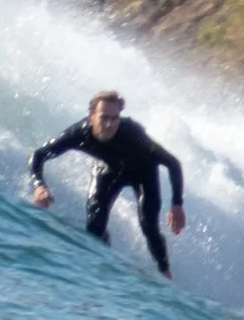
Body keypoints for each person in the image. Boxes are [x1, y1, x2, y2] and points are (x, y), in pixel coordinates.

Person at [30, 90, 186, 276]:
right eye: (104, 118)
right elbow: (38, 155)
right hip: (109, 171)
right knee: (94, 227)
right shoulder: (80, 133)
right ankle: (102, 267)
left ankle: (165, 273)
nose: (109, 124)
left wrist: (177, 203)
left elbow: (172, 163)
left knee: (149, 226)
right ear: (92, 116)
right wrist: (39, 185)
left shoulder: (132, 134)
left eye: (115, 118)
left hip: (143, 173)